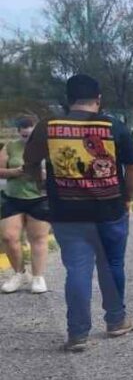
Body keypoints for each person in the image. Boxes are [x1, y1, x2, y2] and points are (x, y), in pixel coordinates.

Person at [22, 74, 133, 352]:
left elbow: (30, 161)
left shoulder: (48, 126)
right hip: (110, 209)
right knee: (112, 265)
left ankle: (78, 334)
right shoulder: (113, 125)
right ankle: (116, 321)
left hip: (67, 211)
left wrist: (40, 180)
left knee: (77, 269)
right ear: (98, 99)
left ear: (68, 100)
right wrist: (127, 197)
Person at [0, 116, 50, 294]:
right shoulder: (10, 147)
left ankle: (37, 277)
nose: (26, 138)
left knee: (37, 238)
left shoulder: (48, 147)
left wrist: (42, 174)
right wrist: (16, 171)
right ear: (18, 132)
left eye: (30, 134)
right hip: (13, 198)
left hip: (39, 198)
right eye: (23, 135)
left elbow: (61, 171)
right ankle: (19, 274)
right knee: (8, 237)